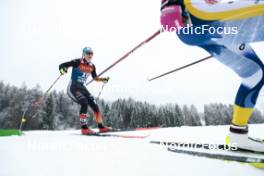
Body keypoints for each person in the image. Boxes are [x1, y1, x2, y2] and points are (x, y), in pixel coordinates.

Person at [160, 0, 264, 152]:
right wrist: (170, 3)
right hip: (199, 17)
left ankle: (238, 136)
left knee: (254, 74)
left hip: (205, 27)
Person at [59, 47, 111, 135]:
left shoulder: (92, 66)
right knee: (84, 102)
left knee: (94, 104)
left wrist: (103, 79)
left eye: (91, 53)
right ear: (83, 54)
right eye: (88, 53)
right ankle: (84, 128)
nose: (90, 55)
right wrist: (63, 69)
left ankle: (101, 127)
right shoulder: (77, 62)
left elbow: (95, 78)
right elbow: (62, 65)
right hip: (73, 87)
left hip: (82, 87)